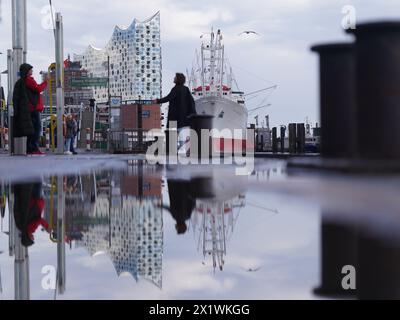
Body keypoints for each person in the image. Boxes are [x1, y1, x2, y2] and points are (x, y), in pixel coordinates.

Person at [153, 73, 197, 149]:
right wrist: (193, 114)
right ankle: (180, 146)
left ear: (178, 79)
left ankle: (178, 147)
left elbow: (168, 98)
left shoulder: (176, 89)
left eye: (175, 77)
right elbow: (192, 101)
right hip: (184, 117)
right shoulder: (186, 89)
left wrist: (158, 101)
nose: (174, 78)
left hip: (176, 117)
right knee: (181, 133)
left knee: (175, 133)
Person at [21, 64, 48, 155]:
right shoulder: (28, 80)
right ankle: (34, 148)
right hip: (33, 108)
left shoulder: (26, 80)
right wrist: (45, 82)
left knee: (32, 130)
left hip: (31, 108)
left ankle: (30, 149)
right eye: (31, 70)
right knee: (37, 129)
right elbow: (38, 89)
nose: (32, 71)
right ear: (27, 71)